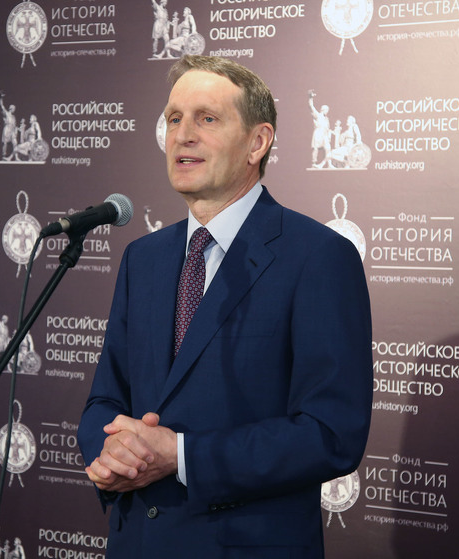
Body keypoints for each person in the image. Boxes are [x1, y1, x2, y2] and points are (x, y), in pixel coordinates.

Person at [77, 55, 373, 558]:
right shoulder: (142, 258)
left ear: (258, 142)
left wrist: (182, 456)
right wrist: (110, 452)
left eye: (207, 119)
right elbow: (106, 398)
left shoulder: (318, 256)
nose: (182, 135)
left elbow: (331, 433)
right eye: (174, 118)